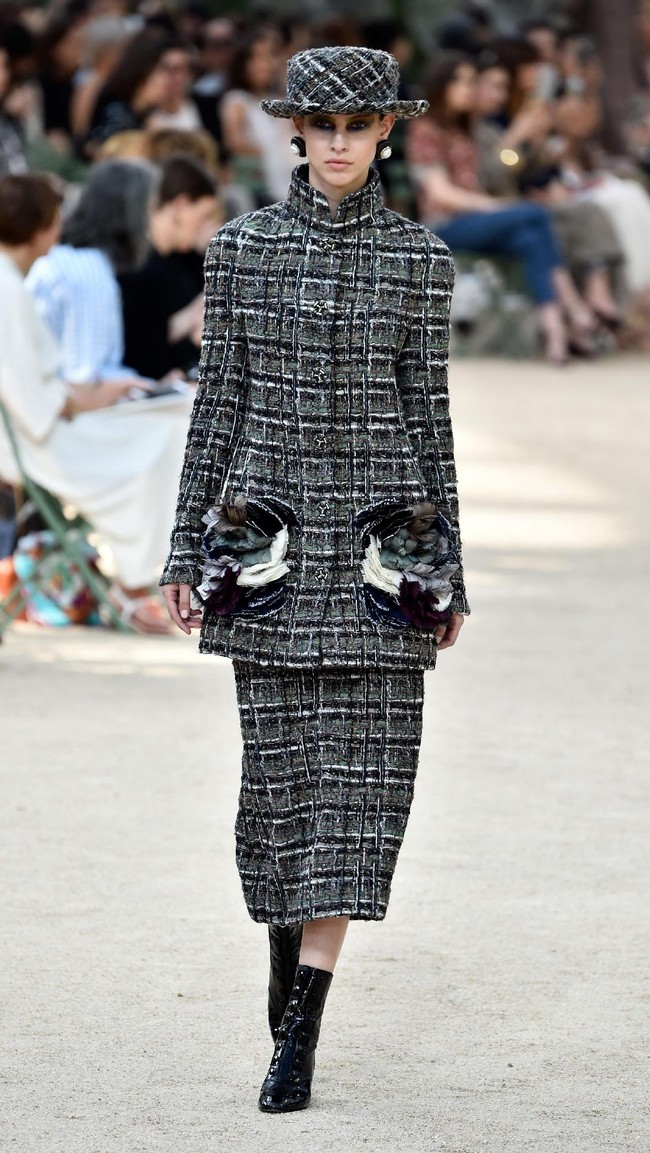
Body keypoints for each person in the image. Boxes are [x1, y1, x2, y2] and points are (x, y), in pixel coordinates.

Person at [160, 45, 469, 1112]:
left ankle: (299, 1032)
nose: (338, 142)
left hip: (389, 549)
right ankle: (283, 959)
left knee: (361, 796)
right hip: (270, 545)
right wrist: (178, 548)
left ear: (387, 130)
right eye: (321, 124)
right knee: (283, 793)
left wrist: (451, 568)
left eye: (359, 124)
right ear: (296, 129)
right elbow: (217, 403)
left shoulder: (419, 261)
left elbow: (430, 418)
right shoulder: (239, 249)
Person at [0, 173, 191, 634]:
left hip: (40, 430)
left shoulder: (11, 280)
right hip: (36, 444)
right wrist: (97, 396)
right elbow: (38, 404)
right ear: (42, 227)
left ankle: (139, 574)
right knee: (173, 426)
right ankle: (133, 579)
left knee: (172, 420)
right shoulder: (7, 288)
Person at [406, 53, 601, 363]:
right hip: (444, 225)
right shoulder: (426, 130)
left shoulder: (464, 131)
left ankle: (555, 335)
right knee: (534, 213)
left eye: (471, 81)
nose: (469, 88)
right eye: (462, 81)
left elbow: (494, 173)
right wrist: (493, 205)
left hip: (476, 221)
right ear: (441, 85)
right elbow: (441, 193)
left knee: (531, 239)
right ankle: (575, 310)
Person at [119, 153, 220, 380]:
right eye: (203, 216)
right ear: (181, 206)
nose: (203, 227)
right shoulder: (137, 266)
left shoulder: (175, 261)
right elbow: (145, 361)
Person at [219, 25, 297, 206]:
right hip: (260, 189)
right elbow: (235, 143)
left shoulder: (278, 99)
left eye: (271, 56)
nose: (267, 64)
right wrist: (272, 152)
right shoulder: (236, 100)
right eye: (259, 58)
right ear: (244, 62)